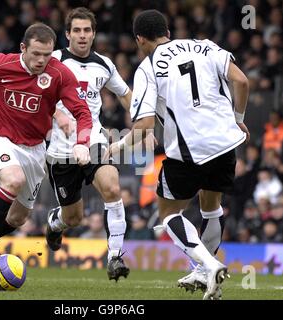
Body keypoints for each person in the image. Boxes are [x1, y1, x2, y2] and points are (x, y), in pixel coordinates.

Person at [106, 10, 250, 299]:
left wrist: (116, 147)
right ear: (168, 33)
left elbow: (144, 126)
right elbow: (242, 81)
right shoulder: (206, 46)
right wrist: (238, 117)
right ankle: (203, 270)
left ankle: (208, 264)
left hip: (188, 151)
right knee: (211, 207)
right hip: (225, 143)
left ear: (140, 40)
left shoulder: (148, 68)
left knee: (169, 213)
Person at [0, 22, 93, 274]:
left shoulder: (60, 73)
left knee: (18, 218)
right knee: (13, 180)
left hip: (34, 149)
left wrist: (82, 143)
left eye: (47, 54)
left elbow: (82, 112)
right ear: (23, 48)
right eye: (36, 54)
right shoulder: (1, 64)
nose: (42, 60)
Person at [45, 7, 132, 282]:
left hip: (93, 138)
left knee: (112, 186)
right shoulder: (54, 60)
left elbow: (126, 94)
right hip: (60, 150)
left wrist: (143, 124)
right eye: (77, 31)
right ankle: (55, 222)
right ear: (67, 34)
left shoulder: (104, 64)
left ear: (93, 34)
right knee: (74, 218)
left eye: (87, 31)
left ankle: (115, 257)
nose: (82, 36)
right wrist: (57, 114)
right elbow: (36, 93)